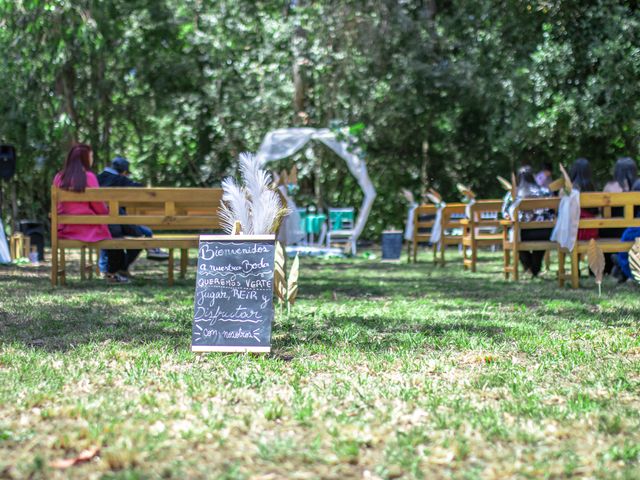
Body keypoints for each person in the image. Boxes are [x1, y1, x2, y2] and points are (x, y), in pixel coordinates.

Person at [52, 144, 129, 284]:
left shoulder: (58, 177)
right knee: (117, 230)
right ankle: (113, 273)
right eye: (91, 156)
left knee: (117, 227)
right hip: (90, 230)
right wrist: (107, 215)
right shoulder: (89, 176)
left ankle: (113, 273)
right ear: (85, 158)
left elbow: (58, 207)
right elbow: (99, 207)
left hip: (66, 229)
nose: (92, 159)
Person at [96, 157, 168, 275]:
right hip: (116, 223)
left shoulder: (97, 178)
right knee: (144, 234)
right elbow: (140, 190)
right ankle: (122, 268)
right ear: (124, 172)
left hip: (97, 222)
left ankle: (105, 269)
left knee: (108, 235)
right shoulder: (121, 180)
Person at [502, 165, 555, 277]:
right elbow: (552, 212)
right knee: (542, 232)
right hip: (543, 233)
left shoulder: (513, 194)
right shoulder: (544, 191)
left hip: (521, 233)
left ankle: (528, 266)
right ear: (533, 177)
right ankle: (535, 267)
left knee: (515, 234)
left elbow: (505, 213)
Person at [602, 157, 638, 273]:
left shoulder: (609, 187)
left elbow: (601, 211)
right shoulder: (637, 186)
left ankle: (611, 266)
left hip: (610, 230)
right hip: (631, 230)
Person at [612, 178, 640, 283]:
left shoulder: (630, 231)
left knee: (624, 252)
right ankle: (620, 265)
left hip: (632, 235)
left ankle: (621, 266)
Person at [569, 157, 598, 241]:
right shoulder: (591, 187)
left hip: (573, 232)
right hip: (591, 230)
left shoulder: (569, 189)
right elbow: (595, 211)